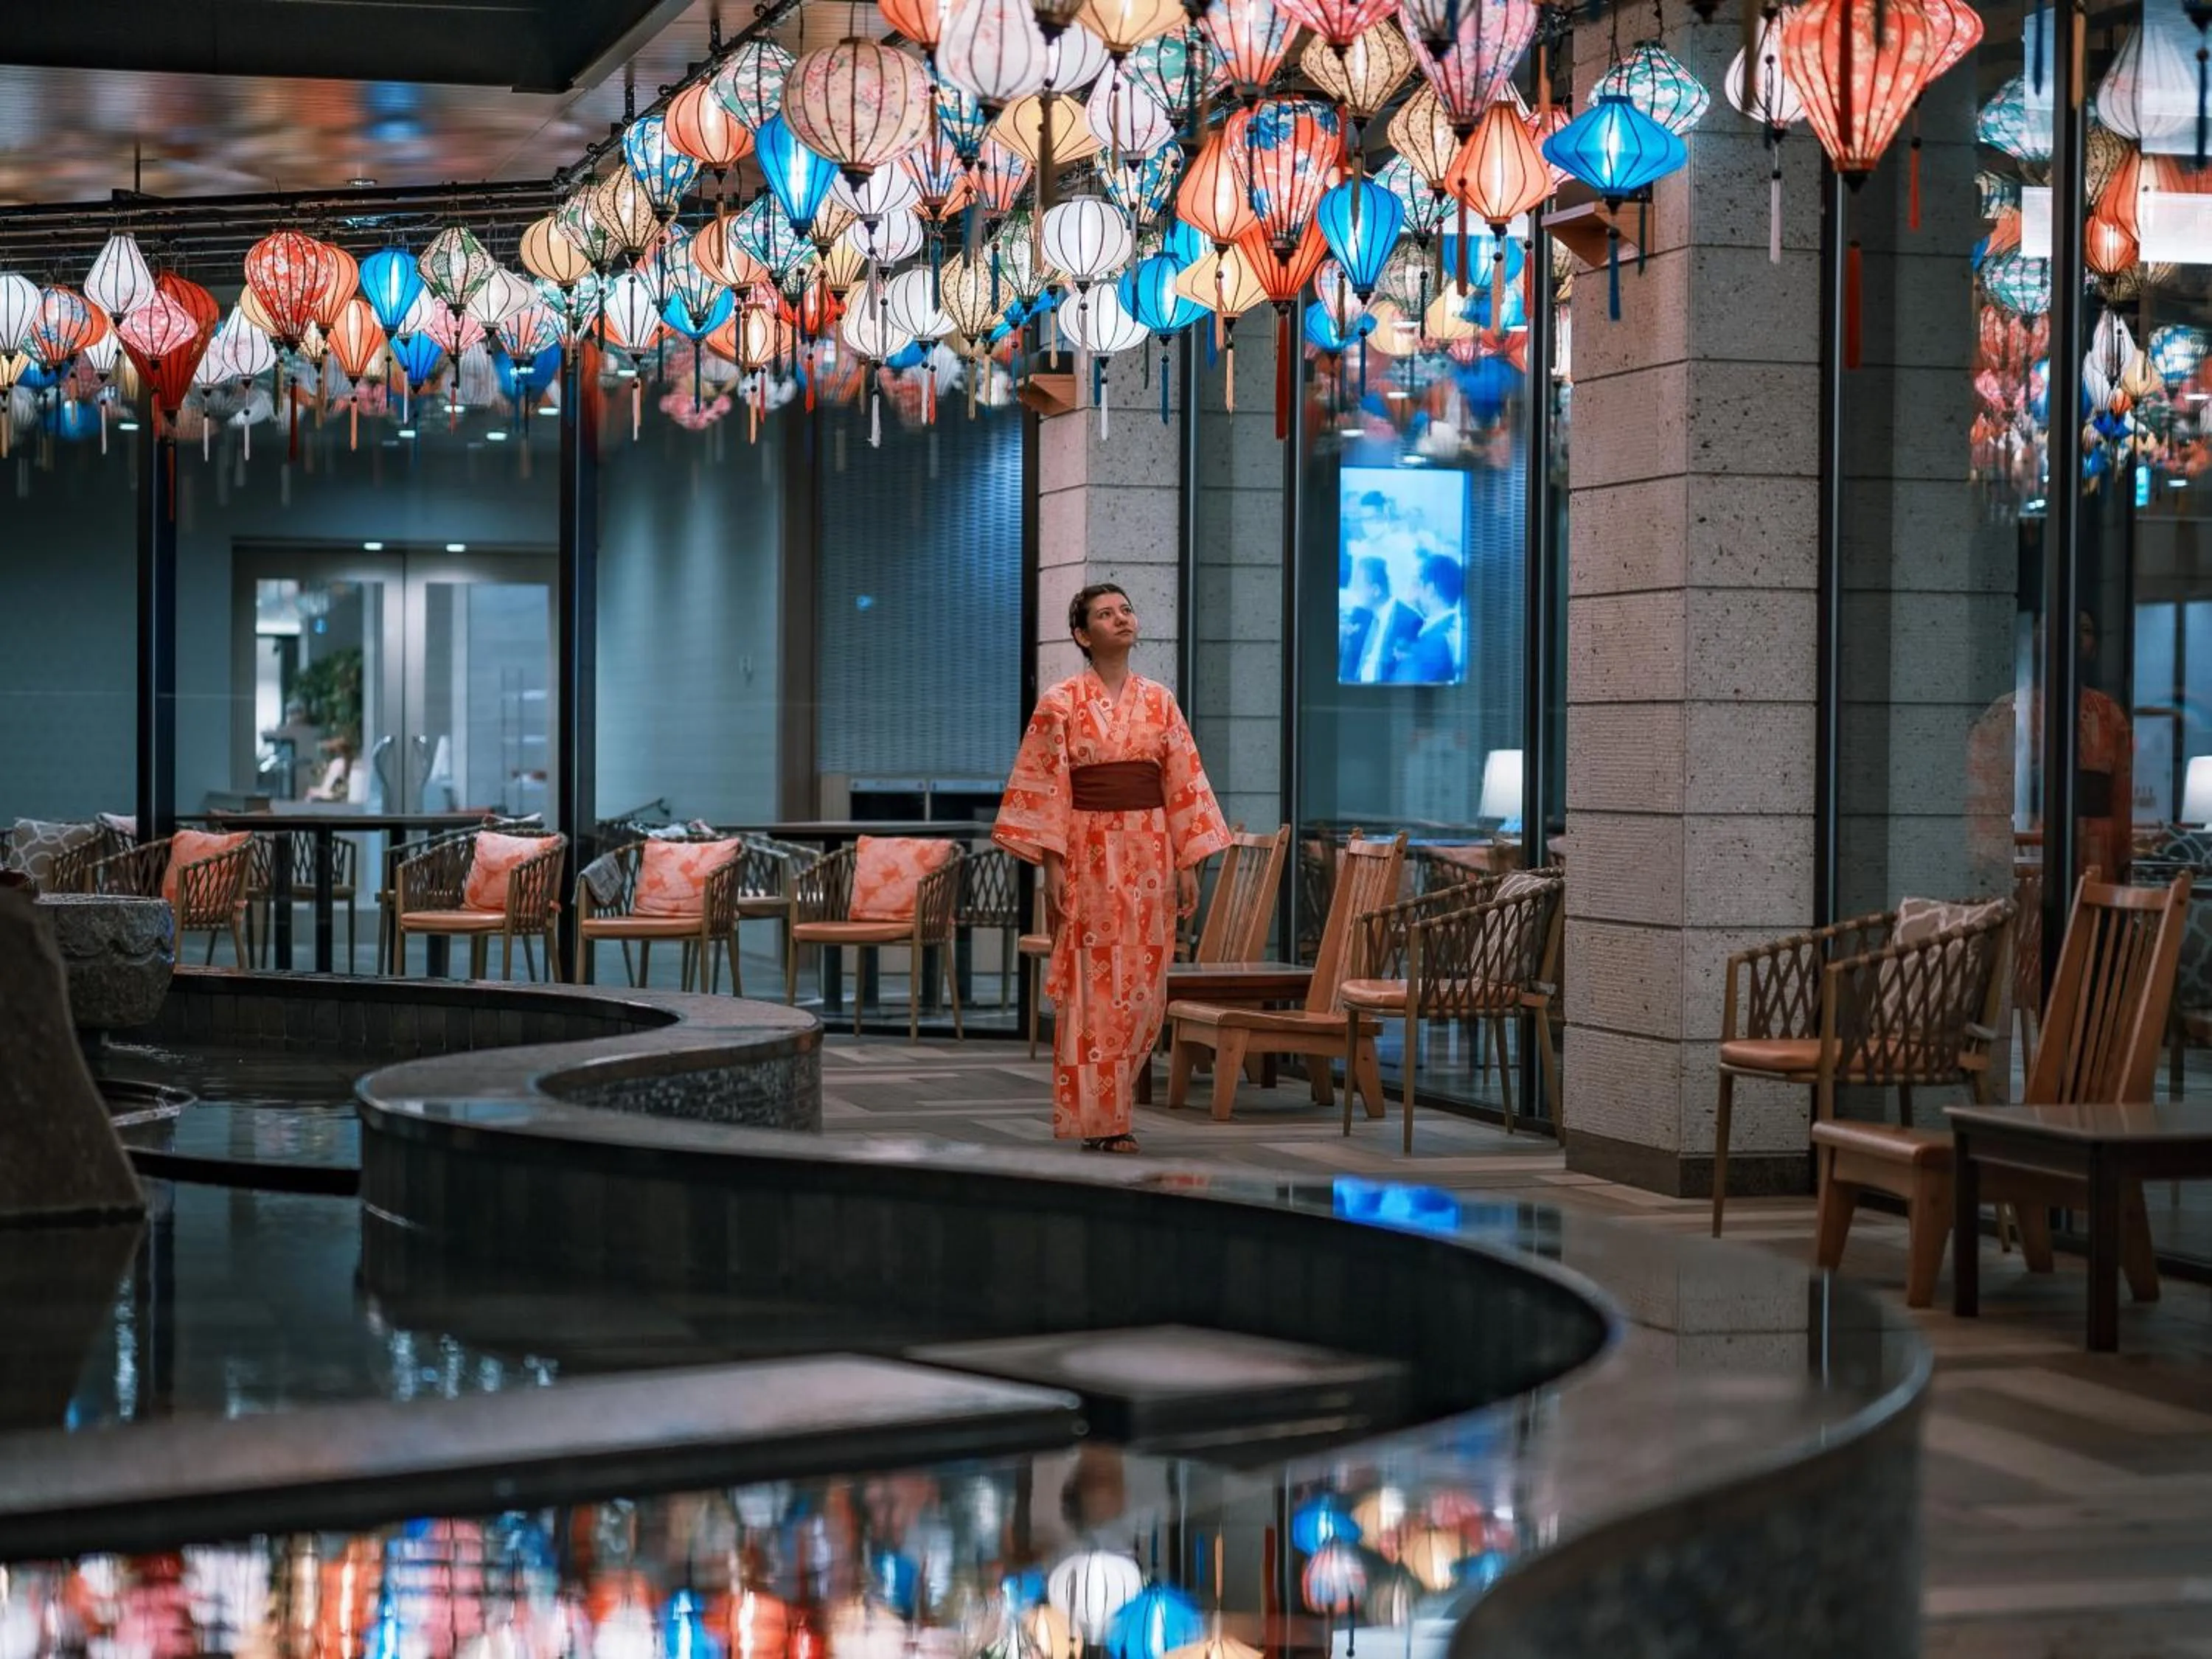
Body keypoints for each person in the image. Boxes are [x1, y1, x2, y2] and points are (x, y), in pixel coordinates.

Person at [994, 583, 1231, 1152]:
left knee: (1145, 988)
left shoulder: (1160, 701)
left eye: (1127, 608)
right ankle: (1106, 1119)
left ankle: (1112, 1103)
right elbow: (1048, 785)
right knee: (1093, 984)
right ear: (1082, 634)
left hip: (1151, 850)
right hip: (1088, 850)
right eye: (1105, 613)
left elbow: (1182, 783)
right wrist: (1051, 863)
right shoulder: (1059, 702)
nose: (1121, 618)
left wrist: (1189, 861)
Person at [1338, 554, 1423, 685]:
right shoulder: (1361, 615)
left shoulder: (1409, 620)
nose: (1353, 590)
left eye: (1358, 585)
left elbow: (1405, 674)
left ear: (1376, 590)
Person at [1395, 552, 1465, 684]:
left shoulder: (1435, 642)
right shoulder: (1450, 629)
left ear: (1430, 590)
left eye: (1417, 584)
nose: (1412, 591)